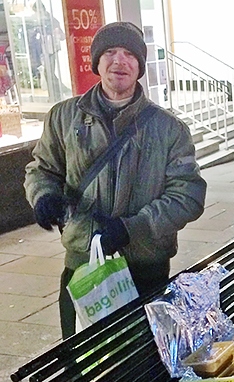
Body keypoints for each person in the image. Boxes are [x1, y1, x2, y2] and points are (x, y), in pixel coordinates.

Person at [24, 22, 207, 339]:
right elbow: (42, 169)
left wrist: (131, 228)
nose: (119, 61)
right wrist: (42, 195)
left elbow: (188, 196)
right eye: (110, 52)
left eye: (129, 54)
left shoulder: (169, 129)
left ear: (139, 66)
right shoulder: (63, 116)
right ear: (96, 61)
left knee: (145, 367)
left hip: (146, 268)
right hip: (83, 267)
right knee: (83, 363)